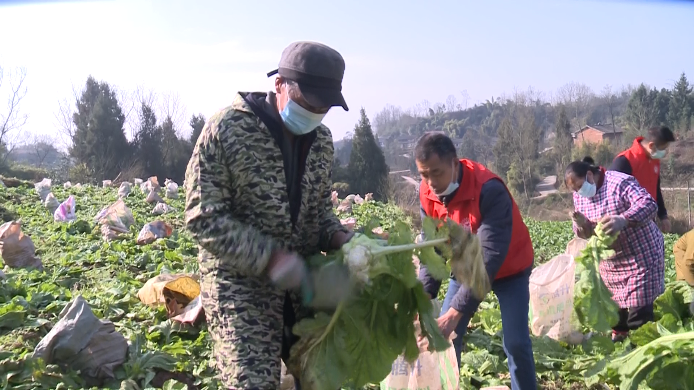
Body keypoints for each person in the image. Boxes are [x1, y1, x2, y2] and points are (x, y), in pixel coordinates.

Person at [184, 41, 355, 389]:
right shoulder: (227, 130)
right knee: (252, 383)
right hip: (242, 290)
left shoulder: (321, 141)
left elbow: (319, 209)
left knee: (323, 380)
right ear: (279, 85)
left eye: (324, 107)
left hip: (303, 288)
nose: (315, 113)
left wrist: (339, 236)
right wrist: (270, 258)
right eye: (307, 103)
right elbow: (203, 217)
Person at [415, 132, 537, 390]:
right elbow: (432, 248)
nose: (430, 182)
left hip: (509, 268)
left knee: (515, 342)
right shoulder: (427, 194)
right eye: (424, 175)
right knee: (446, 338)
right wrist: (423, 295)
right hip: (465, 266)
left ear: (454, 164)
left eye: (436, 172)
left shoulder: (488, 189)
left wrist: (455, 313)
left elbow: (490, 257)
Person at [565, 158, 665, 342]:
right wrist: (581, 225)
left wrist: (624, 219)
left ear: (589, 175)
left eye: (580, 186)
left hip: (640, 257)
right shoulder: (579, 196)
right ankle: (619, 343)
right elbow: (587, 233)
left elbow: (649, 204)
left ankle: (645, 349)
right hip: (612, 263)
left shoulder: (619, 182)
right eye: (575, 190)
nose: (579, 192)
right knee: (615, 313)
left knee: (639, 312)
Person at [609, 126, 676, 233]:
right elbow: (610, 194)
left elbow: (656, 189)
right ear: (651, 145)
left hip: (649, 220)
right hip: (627, 224)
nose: (664, 153)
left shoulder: (654, 160)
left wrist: (663, 215)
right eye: (663, 149)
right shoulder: (624, 161)